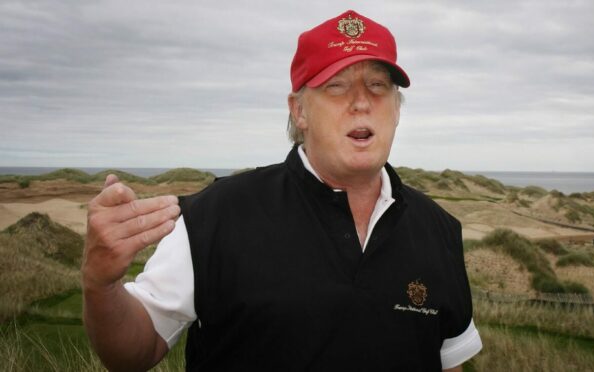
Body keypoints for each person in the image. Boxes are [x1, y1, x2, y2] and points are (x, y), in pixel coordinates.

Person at [82, 10, 482, 371]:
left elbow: (447, 363)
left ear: (397, 108)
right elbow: (133, 353)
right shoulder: (215, 217)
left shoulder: (439, 230)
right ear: (299, 111)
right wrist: (101, 285)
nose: (362, 102)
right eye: (337, 86)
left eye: (379, 85)